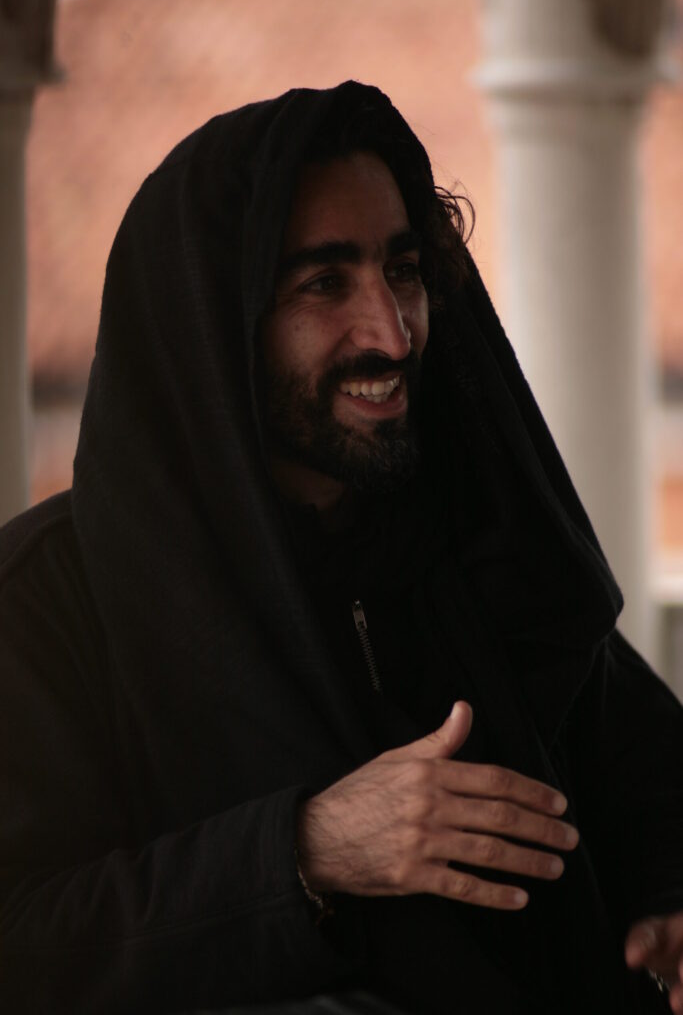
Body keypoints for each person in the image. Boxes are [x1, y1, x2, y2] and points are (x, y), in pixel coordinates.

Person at [0, 81, 682, 1015]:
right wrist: (306, 851)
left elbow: (649, 777)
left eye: (403, 270)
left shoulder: (480, 541)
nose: (391, 334)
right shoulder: (44, 605)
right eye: (324, 283)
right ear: (216, 319)